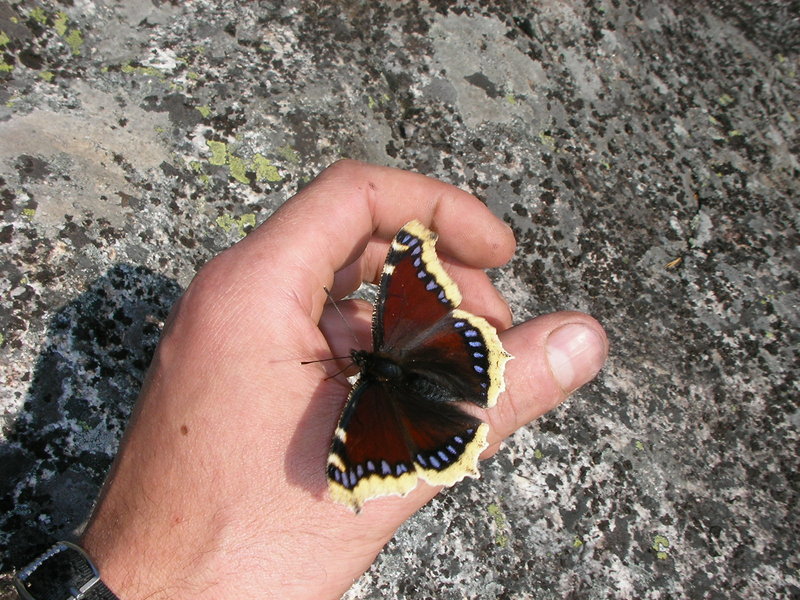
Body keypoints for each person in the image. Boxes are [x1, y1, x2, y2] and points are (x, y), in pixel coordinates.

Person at [78, 160, 608, 599]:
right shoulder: (390, 327)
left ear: (360, 369)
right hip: (452, 356)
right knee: (442, 336)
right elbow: (412, 271)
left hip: (415, 408)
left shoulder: (360, 404)